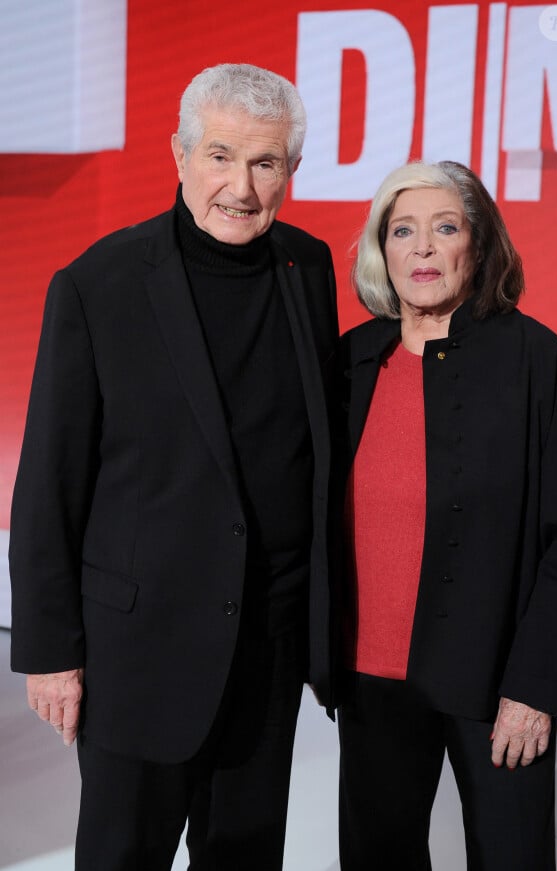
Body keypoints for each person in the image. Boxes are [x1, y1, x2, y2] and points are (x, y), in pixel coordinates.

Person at [9, 63, 338, 871]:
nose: (241, 186)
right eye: (220, 156)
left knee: (245, 853)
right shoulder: (98, 284)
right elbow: (49, 478)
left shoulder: (311, 267)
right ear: (180, 156)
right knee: (124, 854)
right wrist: (50, 649)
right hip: (139, 648)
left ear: (291, 172)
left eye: (266, 163)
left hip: (268, 639)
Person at [336, 159, 557, 870]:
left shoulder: (538, 362)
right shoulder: (352, 361)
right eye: (402, 229)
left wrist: (535, 689)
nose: (422, 247)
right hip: (372, 680)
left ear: (480, 245)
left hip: (497, 683)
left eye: (445, 227)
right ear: (383, 249)